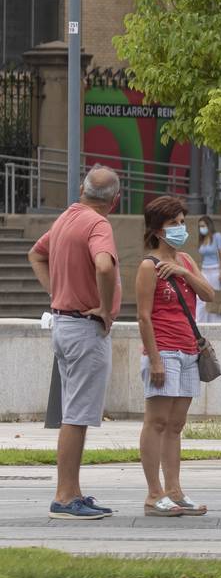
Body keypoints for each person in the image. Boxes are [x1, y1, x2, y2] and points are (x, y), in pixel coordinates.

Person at [27, 165, 123, 520]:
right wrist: (104, 307)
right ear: (115, 200)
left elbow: (35, 255)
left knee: (75, 412)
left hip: (64, 324)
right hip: (85, 327)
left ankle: (74, 491)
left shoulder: (68, 217)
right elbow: (103, 265)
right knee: (77, 415)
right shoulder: (98, 224)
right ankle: (65, 496)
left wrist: (56, 290)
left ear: (83, 190)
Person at [135, 196, 213, 518]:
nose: (181, 228)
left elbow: (209, 294)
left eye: (182, 222)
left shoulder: (185, 261)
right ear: (157, 229)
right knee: (157, 421)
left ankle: (175, 490)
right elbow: (143, 316)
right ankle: (154, 494)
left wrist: (183, 270)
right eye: (173, 224)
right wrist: (154, 359)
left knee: (176, 424)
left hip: (188, 351)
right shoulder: (148, 266)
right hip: (163, 350)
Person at [193, 215, 221, 323]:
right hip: (204, 270)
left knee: (214, 297)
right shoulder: (202, 239)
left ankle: (216, 322)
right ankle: (200, 321)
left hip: (215, 270)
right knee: (201, 297)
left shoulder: (217, 236)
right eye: (199, 226)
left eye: (203, 225)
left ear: (208, 225)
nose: (201, 228)